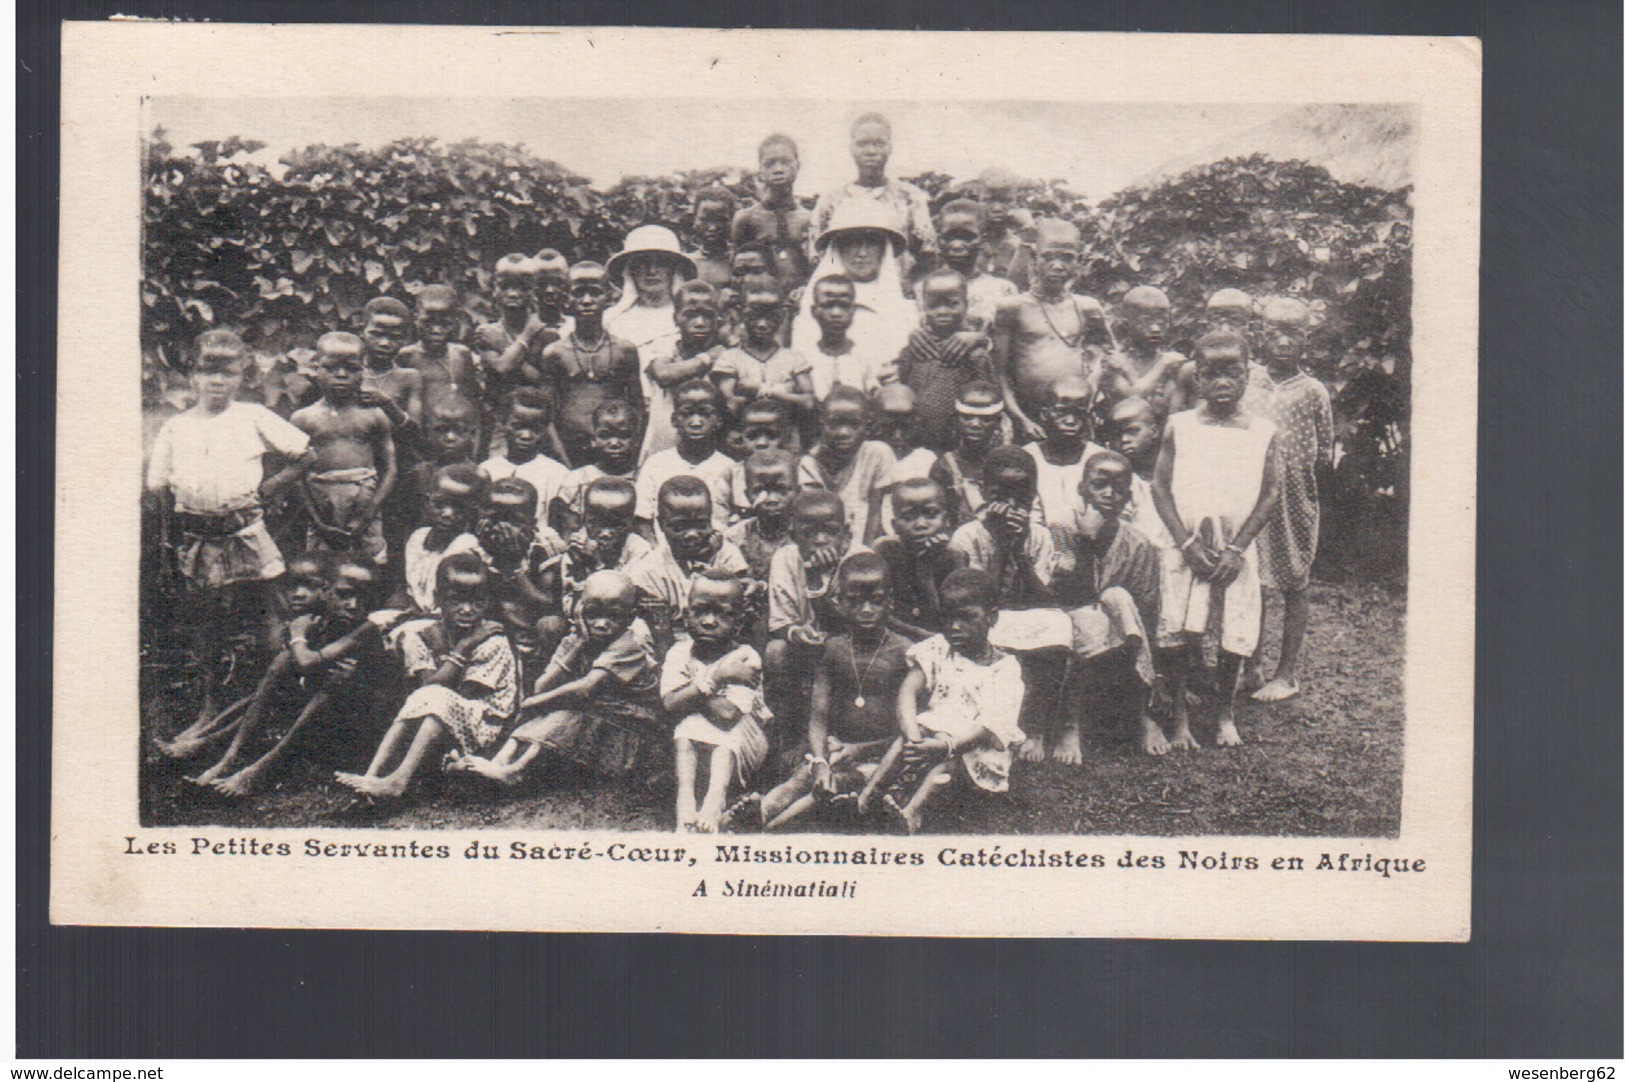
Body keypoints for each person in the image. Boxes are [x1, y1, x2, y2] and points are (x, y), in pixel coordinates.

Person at [146, 330, 314, 738]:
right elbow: (160, 491)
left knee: (269, 615)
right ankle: (210, 706)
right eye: (207, 371)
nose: (216, 381)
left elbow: (305, 454)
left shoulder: (252, 416)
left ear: (243, 377)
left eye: (227, 372)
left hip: (247, 532)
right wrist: (169, 547)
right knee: (206, 624)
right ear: (192, 375)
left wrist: (271, 489)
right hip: (198, 538)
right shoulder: (176, 427)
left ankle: (273, 702)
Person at [1152, 331, 1281, 748]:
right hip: (1186, 545)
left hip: (1234, 550)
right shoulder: (1180, 426)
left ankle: (1225, 712)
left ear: (1248, 374)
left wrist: (1238, 548)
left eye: (1234, 372)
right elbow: (1160, 487)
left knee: (1234, 629)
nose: (1222, 382)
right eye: (1212, 373)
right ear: (1197, 377)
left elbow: (1269, 494)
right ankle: (1181, 717)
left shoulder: (1263, 431)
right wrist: (1186, 545)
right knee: (1179, 628)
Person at [728, 551, 913, 831]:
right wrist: (820, 762)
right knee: (802, 779)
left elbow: (908, 730)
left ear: (890, 602)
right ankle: (759, 812)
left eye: (875, 601)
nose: (865, 610)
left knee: (840, 784)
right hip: (835, 748)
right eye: (855, 601)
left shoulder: (904, 653)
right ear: (838, 602)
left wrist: (860, 750)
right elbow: (819, 716)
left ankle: (769, 829)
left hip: (881, 757)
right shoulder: (834, 649)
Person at [191, 556, 388, 795]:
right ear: (326, 591)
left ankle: (260, 769)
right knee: (283, 662)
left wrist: (297, 635)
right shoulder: (318, 622)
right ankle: (228, 759)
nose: (354, 605)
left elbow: (307, 663)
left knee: (333, 684)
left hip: (361, 729)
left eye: (364, 599)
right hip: (319, 717)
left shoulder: (365, 629)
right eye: (344, 594)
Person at [449, 570, 663, 785]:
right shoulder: (575, 641)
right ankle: (497, 762)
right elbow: (542, 686)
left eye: (613, 615)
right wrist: (579, 644)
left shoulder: (629, 645)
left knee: (563, 712)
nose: (601, 623)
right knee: (548, 708)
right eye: (592, 614)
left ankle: (516, 769)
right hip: (594, 722)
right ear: (579, 610)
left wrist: (535, 703)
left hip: (628, 732)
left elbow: (585, 688)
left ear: (631, 616)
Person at [335, 553, 516, 802]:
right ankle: (372, 775)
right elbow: (425, 687)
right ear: (437, 598)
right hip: (436, 723)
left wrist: (462, 648)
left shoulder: (491, 639)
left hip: (486, 728)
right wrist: (455, 651)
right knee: (430, 694)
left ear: (487, 602)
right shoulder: (421, 635)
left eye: (477, 601)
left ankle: (399, 780)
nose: (467, 609)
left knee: (436, 696)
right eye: (456, 600)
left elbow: (464, 694)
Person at [857, 568, 1025, 835]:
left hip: (973, 746)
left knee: (949, 762)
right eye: (948, 618)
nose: (955, 627)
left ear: (991, 617)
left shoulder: (1004, 669)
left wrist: (946, 746)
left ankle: (912, 813)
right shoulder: (939, 648)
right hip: (933, 736)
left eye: (967, 618)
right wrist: (913, 736)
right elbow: (909, 690)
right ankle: (866, 797)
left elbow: (989, 725)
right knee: (909, 737)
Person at [946, 447, 1071, 762]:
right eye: (1003, 495)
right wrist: (1002, 546)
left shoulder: (1039, 536)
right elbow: (977, 601)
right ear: (987, 494)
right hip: (984, 621)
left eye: (1023, 495)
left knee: (1057, 624)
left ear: (1034, 496)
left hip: (1023, 619)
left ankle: (1039, 731)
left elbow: (1044, 599)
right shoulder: (967, 537)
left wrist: (1019, 552)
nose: (1013, 504)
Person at [155, 546, 332, 763]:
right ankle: (204, 734)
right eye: (292, 586)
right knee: (257, 697)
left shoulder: (324, 622)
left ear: (328, 589)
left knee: (270, 691)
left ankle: (209, 743)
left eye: (310, 586)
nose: (299, 593)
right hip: (289, 691)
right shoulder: (299, 619)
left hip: (317, 699)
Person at [1048, 451, 1164, 758]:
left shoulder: (1139, 544)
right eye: (1100, 484)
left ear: (1128, 495)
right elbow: (1064, 594)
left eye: (1118, 487)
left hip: (1122, 639)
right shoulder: (1061, 531)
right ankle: (1070, 724)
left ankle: (1142, 713)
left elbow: (1146, 611)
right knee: (1091, 617)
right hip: (1070, 623)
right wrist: (1086, 540)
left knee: (1119, 598)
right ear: (1082, 488)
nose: (1109, 494)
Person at [1247, 297, 1333, 703]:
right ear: (1260, 334)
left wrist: (1302, 492)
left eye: (1293, 333)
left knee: (1294, 579)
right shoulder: (1248, 381)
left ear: (1306, 338)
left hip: (1294, 497)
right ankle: (1250, 663)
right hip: (1250, 495)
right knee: (1253, 580)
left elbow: (1326, 450)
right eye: (1274, 331)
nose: (1283, 341)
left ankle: (1287, 673)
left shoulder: (1313, 391)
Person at [664, 572, 773, 832]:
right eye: (700, 611)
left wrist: (691, 691)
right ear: (685, 612)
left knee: (722, 735)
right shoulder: (679, 652)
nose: (710, 622)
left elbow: (726, 715)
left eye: (722, 614)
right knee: (686, 727)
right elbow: (669, 704)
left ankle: (715, 801)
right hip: (695, 754)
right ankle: (686, 801)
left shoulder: (746, 658)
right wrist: (717, 676)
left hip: (742, 747)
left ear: (739, 620)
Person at [992, 218, 1111, 442]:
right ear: (1035, 259)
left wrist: (1088, 394)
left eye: (1067, 258)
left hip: (1074, 418)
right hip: (1029, 416)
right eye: (1049, 257)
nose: (1057, 266)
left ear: (1079, 261)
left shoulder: (1087, 307)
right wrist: (1020, 419)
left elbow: (1102, 357)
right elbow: (1000, 373)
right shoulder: (1012, 308)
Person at [292, 332, 397, 568]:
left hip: (365, 507)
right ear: (316, 368)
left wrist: (367, 516)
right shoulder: (303, 418)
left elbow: (390, 470)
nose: (341, 375)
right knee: (320, 569)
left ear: (363, 370)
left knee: (369, 568)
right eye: (331, 368)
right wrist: (318, 522)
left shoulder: (374, 415)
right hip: (321, 509)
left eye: (351, 368)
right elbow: (296, 476)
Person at [792, 201, 915, 383]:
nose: (862, 253)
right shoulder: (813, 303)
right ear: (838, 248)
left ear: (883, 249)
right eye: (852, 243)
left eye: (871, 244)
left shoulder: (905, 310)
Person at [626, 475, 750, 656]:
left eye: (701, 525)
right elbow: (659, 629)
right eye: (679, 527)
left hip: (723, 640)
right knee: (638, 631)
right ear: (661, 525)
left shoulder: (726, 555)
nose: (691, 534)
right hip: (670, 646)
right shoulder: (648, 569)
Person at [539, 262, 644, 466]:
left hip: (616, 452)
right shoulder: (555, 353)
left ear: (608, 296)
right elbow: (547, 417)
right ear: (566, 298)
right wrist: (564, 463)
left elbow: (637, 410)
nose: (587, 301)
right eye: (578, 293)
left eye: (595, 293)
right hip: (568, 452)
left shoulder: (624, 350)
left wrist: (631, 455)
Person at [808, 112, 936, 279]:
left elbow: (927, 252)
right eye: (862, 144)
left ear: (890, 148)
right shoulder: (831, 200)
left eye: (879, 144)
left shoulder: (910, 197)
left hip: (897, 290)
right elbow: (817, 255)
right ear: (851, 148)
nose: (871, 151)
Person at [535, 477, 652, 655]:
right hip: (583, 621)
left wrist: (597, 564)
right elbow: (568, 606)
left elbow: (626, 602)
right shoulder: (577, 546)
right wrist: (580, 564)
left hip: (621, 625)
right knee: (549, 625)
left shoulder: (639, 550)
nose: (605, 532)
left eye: (616, 524)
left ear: (630, 522)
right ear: (584, 518)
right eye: (595, 523)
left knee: (639, 630)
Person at [897, 268, 998, 454]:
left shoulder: (975, 353)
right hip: (917, 442)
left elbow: (987, 400)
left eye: (952, 304)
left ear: (966, 305)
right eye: (934, 305)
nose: (942, 311)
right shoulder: (915, 347)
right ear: (923, 306)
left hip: (958, 444)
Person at [604, 224, 694, 408]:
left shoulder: (691, 318)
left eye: (660, 262)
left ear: (673, 269)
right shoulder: (612, 320)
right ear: (631, 270)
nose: (652, 271)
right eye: (643, 262)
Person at [872, 477, 967, 641]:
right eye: (909, 517)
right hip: (891, 636)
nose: (921, 524)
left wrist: (925, 570)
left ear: (945, 520)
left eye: (931, 514)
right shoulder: (884, 551)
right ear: (894, 525)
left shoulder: (953, 555)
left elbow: (950, 618)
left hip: (939, 637)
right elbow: (877, 611)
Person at [711, 277, 816, 424]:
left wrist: (763, 390)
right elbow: (730, 405)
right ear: (741, 314)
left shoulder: (794, 358)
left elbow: (809, 402)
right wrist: (783, 392)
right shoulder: (729, 358)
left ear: (782, 315)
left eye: (771, 315)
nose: (762, 323)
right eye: (753, 315)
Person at [799, 386, 896, 546]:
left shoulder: (877, 453)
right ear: (821, 424)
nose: (843, 432)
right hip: (829, 542)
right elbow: (817, 517)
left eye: (854, 424)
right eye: (834, 424)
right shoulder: (810, 464)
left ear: (867, 424)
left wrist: (866, 552)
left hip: (869, 540)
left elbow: (877, 509)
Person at [635, 379, 735, 533]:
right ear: (674, 420)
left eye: (705, 414)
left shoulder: (730, 468)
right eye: (687, 414)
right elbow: (642, 519)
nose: (696, 422)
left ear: (719, 420)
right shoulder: (655, 464)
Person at [643, 281, 728, 462]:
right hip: (662, 448)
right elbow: (664, 375)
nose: (699, 322)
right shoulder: (663, 345)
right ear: (676, 318)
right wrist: (707, 359)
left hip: (710, 453)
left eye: (707, 315)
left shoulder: (728, 351)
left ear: (718, 319)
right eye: (690, 315)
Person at [474, 254, 555, 443]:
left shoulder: (547, 335)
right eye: (505, 286)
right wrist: (527, 336)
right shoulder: (485, 333)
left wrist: (501, 345)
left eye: (522, 287)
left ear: (534, 291)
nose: (512, 293)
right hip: (499, 424)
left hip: (537, 423)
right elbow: (502, 368)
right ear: (494, 289)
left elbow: (543, 384)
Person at [397, 464, 487, 614]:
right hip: (417, 614)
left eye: (459, 507)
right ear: (427, 502)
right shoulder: (418, 537)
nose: (447, 513)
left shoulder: (466, 546)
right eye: (439, 504)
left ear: (471, 510)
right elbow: (410, 590)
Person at [478, 386, 570, 531]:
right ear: (503, 423)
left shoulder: (557, 474)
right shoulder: (486, 469)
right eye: (517, 426)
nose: (526, 435)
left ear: (546, 429)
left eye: (535, 429)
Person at [1023, 374, 1108, 532]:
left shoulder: (1100, 459)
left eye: (1079, 413)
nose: (1070, 420)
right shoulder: (1026, 457)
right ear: (1044, 414)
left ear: (1088, 416)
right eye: (1062, 412)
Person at [732, 133, 813, 292]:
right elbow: (738, 269)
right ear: (760, 170)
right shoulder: (746, 219)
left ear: (798, 166)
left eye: (785, 162)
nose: (778, 169)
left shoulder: (809, 219)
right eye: (770, 164)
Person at [552, 398, 641, 532]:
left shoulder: (643, 478)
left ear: (636, 439)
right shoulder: (579, 478)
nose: (614, 443)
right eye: (605, 436)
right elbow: (566, 522)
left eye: (623, 435)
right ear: (593, 439)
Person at [1098, 285, 1185, 421]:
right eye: (1146, 321)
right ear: (1127, 324)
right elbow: (1134, 401)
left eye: (1162, 321)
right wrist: (1162, 365)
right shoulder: (1114, 362)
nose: (1155, 328)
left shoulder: (1174, 362)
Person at [397, 284, 482, 417]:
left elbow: (471, 399)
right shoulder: (406, 356)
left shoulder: (462, 354)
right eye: (428, 322)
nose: (436, 330)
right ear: (415, 318)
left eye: (444, 324)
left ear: (455, 321)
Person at [928, 381, 1005, 525]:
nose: (975, 424)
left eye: (985, 419)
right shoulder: (944, 466)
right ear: (956, 419)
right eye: (967, 417)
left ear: (998, 421)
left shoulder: (1008, 462)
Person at [935, 199, 1018, 332]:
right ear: (939, 240)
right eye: (949, 237)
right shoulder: (922, 289)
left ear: (982, 240)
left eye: (967, 237)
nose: (957, 245)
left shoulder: (1003, 290)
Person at [724, 448, 800, 587]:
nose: (771, 499)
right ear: (747, 495)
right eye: (759, 490)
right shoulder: (734, 538)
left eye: (781, 489)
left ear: (797, 492)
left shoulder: (804, 535)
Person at [725, 397, 799, 515]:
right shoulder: (730, 475)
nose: (761, 443)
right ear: (741, 436)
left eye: (771, 435)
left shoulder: (796, 471)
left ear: (786, 437)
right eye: (752, 436)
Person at [976, 167, 1034, 289]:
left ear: (1016, 202)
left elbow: (1021, 286)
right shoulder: (967, 242)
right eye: (989, 200)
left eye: (1005, 201)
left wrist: (1028, 233)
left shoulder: (1023, 243)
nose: (997, 208)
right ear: (978, 200)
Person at [688, 186, 737, 290]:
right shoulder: (685, 263)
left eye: (721, 220)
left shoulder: (741, 262)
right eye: (705, 220)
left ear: (732, 221)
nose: (712, 227)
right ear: (694, 220)